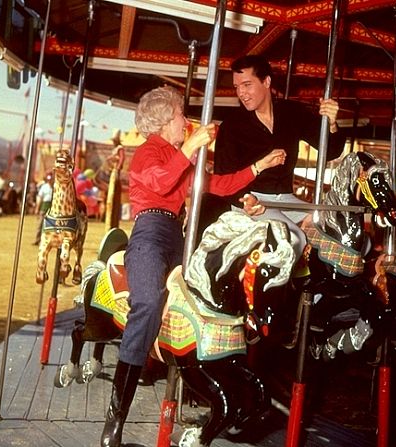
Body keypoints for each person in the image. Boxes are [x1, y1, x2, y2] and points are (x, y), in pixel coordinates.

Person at [100, 85, 283, 447]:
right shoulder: (148, 153)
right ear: (166, 120)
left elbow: (217, 184)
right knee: (149, 303)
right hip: (150, 233)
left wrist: (259, 165)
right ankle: (115, 417)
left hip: (178, 235)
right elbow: (159, 180)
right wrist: (190, 147)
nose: (186, 121)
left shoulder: (177, 156)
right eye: (182, 116)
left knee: (211, 296)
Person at [213, 55, 347, 261]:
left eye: (247, 85)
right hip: (249, 201)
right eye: (237, 86)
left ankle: (314, 293)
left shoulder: (291, 113)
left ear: (266, 82)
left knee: (333, 233)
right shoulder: (231, 126)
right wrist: (246, 199)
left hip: (285, 199)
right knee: (293, 239)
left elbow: (330, 151)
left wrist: (331, 124)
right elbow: (222, 176)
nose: (241, 93)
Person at [33, 173, 53, 245]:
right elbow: (39, 198)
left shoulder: (55, 187)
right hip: (44, 207)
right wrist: (37, 208)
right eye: (49, 179)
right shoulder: (44, 187)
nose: (50, 180)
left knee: (50, 226)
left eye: (51, 179)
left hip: (52, 208)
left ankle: (48, 240)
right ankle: (37, 240)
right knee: (40, 224)